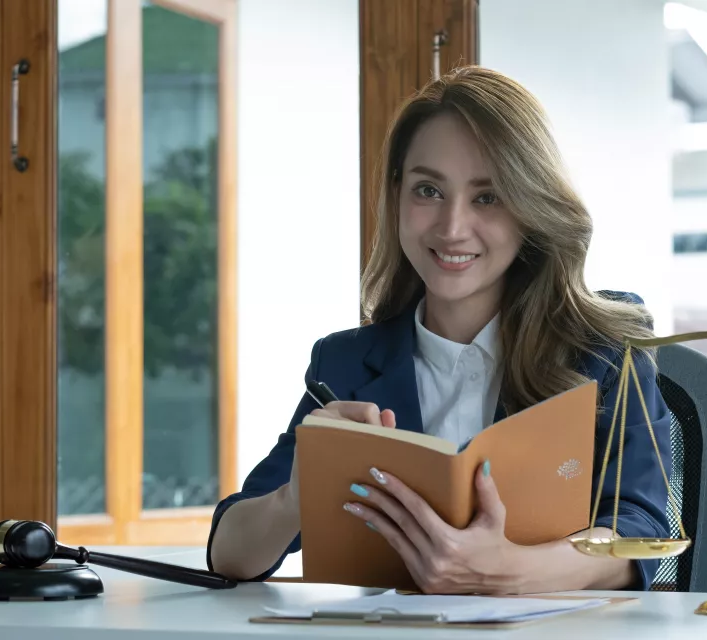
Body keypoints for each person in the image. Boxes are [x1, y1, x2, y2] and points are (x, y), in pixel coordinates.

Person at [206, 66, 672, 595]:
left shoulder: (603, 347)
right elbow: (230, 555)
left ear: (530, 206)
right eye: (428, 190)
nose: (452, 228)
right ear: (397, 194)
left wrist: (508, 573)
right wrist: (295, 498)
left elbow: (640, 531)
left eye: (487, 197)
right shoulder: (344, 364)